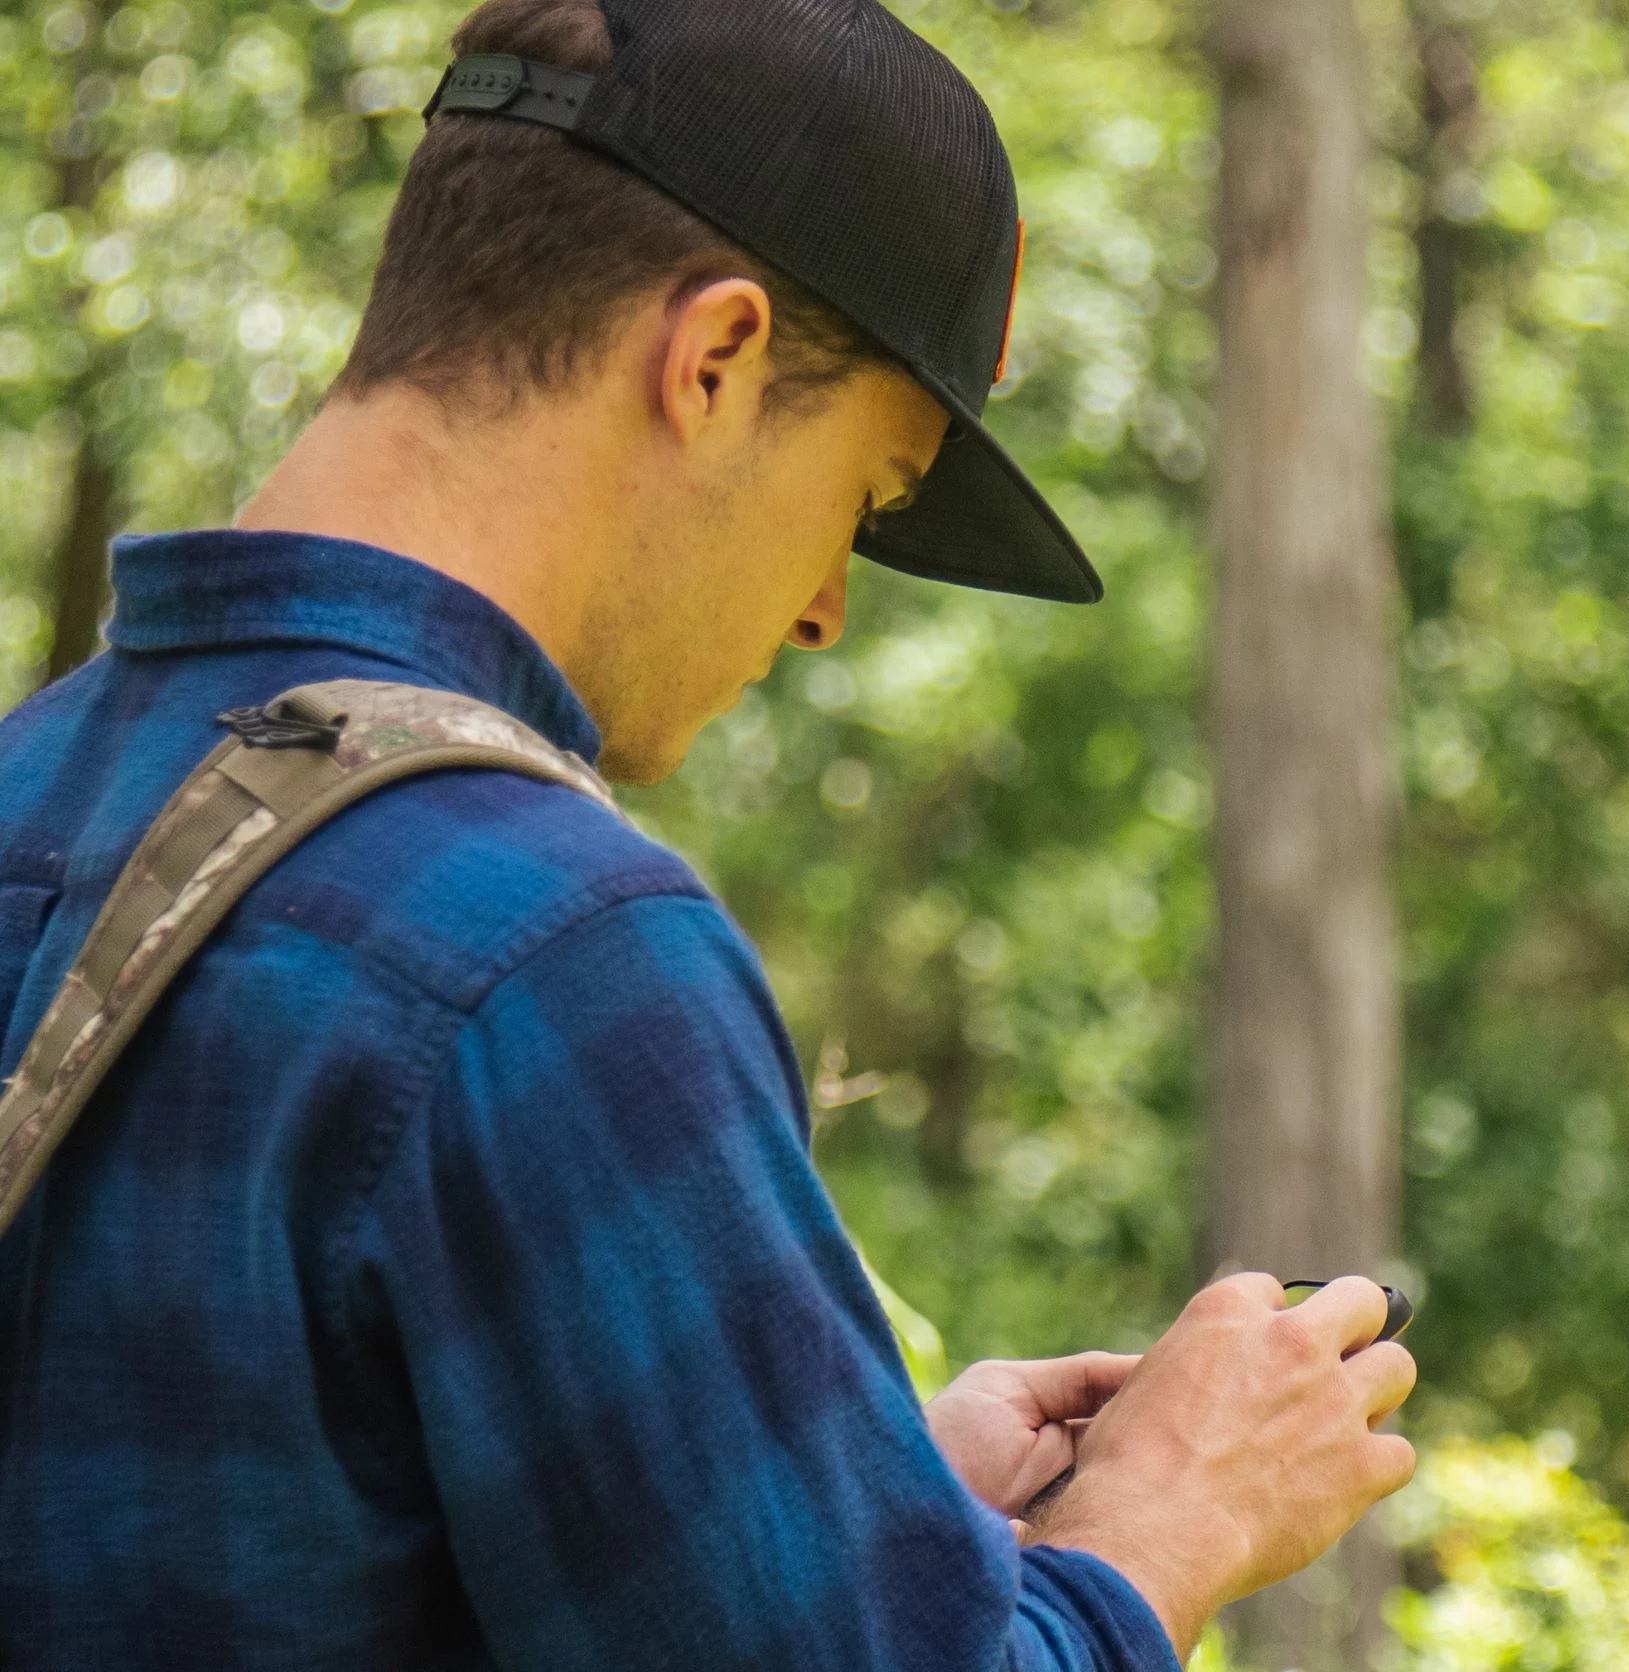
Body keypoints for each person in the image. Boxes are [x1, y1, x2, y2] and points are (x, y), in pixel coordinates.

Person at [0, 0, 1416, 1666]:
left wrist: (836, 1506)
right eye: (868, 496)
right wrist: (1158, 1526)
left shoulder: (38, 791)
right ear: (718, 358)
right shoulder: (545, 946)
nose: (823, 610)